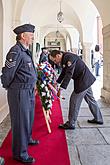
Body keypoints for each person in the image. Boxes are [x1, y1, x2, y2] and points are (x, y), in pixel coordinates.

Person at [1, 24, 39, 164]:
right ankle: (19, 153)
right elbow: (7, 74)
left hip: (28, 90)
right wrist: (11, 88)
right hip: (19, 92)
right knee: (20, 122)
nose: (33, 37)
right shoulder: (15, 51)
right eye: (31, 34)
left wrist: (32, 84)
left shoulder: (26, 51)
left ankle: (27, 139)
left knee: (29, 118)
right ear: (23, 36)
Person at [49, 50, 103, 130]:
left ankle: (71, 123)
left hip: (83, 81)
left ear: (58, 55)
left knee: (74, 101)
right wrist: (57, 83)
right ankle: (98, 119)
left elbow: (69, 74)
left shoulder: (68, 57)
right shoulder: (65, 58)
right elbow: (64, 72)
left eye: (54, 60)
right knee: (91, 100)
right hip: (86, 79)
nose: (55, 62)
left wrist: (61, 89)